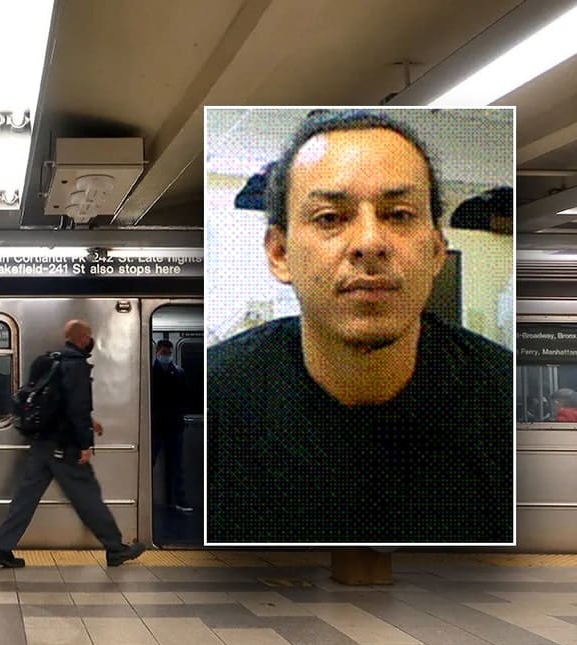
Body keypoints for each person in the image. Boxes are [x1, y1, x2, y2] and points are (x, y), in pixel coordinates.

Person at [207, 110, 513, 544]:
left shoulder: (510, 406)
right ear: (280, 253)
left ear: (436, 251)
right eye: (330, 218)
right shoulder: (213, 402)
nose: (370, 243)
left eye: (399, 215)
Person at [0, 319, 146, 568]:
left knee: (25, 498)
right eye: (89, 335)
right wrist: (85, 444)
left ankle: (1, 548)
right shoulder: (76, 365)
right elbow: (77, 407)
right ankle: (115, 548)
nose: (91, 340)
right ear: (82, 339)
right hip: (64, 447)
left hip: (41, 443)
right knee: (88, 497)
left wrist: (89, 422)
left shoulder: (48, 361)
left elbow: (51, 401)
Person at [151, 340, 191, 513]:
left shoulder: (179, 373)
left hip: (174, 426)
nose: (166, 356)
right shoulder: (149, 372)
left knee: (176, 465)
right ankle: (146, 499)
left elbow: (186, 397)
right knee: (149, 462)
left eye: (168, 353)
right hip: (155, 426)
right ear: (157, 352)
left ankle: (176, 500)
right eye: (163, 352)